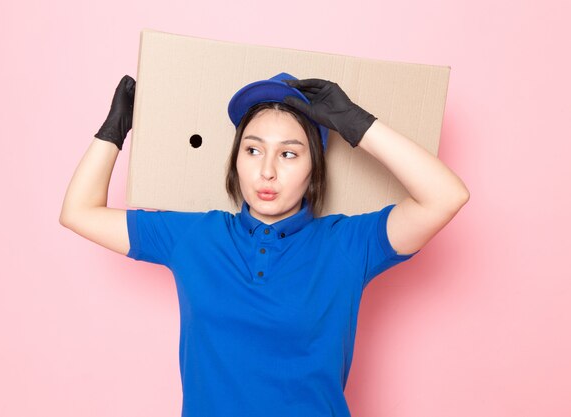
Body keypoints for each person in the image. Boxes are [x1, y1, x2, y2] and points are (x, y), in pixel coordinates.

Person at [59, 72, 470, 417]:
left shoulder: (347, 243)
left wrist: (357, 124)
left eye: (289, 155)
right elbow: (78, 212)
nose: (267, 171)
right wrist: (113, 131)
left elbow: (445, 196)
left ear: (314, 168)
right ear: (235, 159)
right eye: (252, 150)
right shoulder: (194, 237)